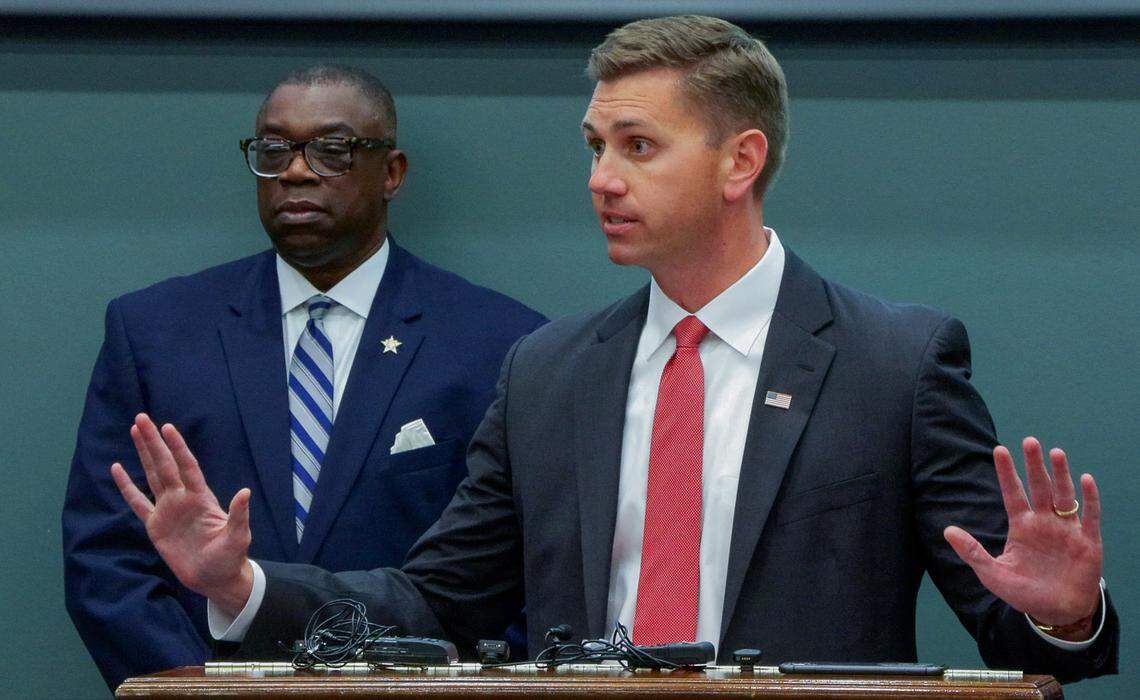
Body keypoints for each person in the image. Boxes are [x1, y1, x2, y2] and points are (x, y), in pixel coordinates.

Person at [111, 17, 1117, 683]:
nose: (600, 177)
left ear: (740, 161)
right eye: (594, 146)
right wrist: (242, 588)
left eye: (637, 146)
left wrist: (1062, 618)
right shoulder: (550, 372)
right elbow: (436, 599)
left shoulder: (895, 361)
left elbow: (1017, 626)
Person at [63, 64, 546, 689]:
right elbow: (106, 560)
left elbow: (524, 573)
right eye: (273, 150)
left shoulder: (501, 343)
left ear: (392, 173)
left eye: (332, 150)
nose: (294, 171)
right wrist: (198, 688)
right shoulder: (154, 332)